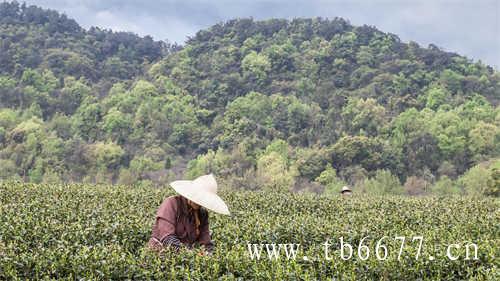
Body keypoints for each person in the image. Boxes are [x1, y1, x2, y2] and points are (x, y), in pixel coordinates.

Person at [147, 174, 230, 255]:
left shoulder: (202, 213)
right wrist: (189, 254)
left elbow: (206, 242)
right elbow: (167, 238)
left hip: (184, 259)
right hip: (160, 255)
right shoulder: (171, 204)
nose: (200, 202)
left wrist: (209, 254)